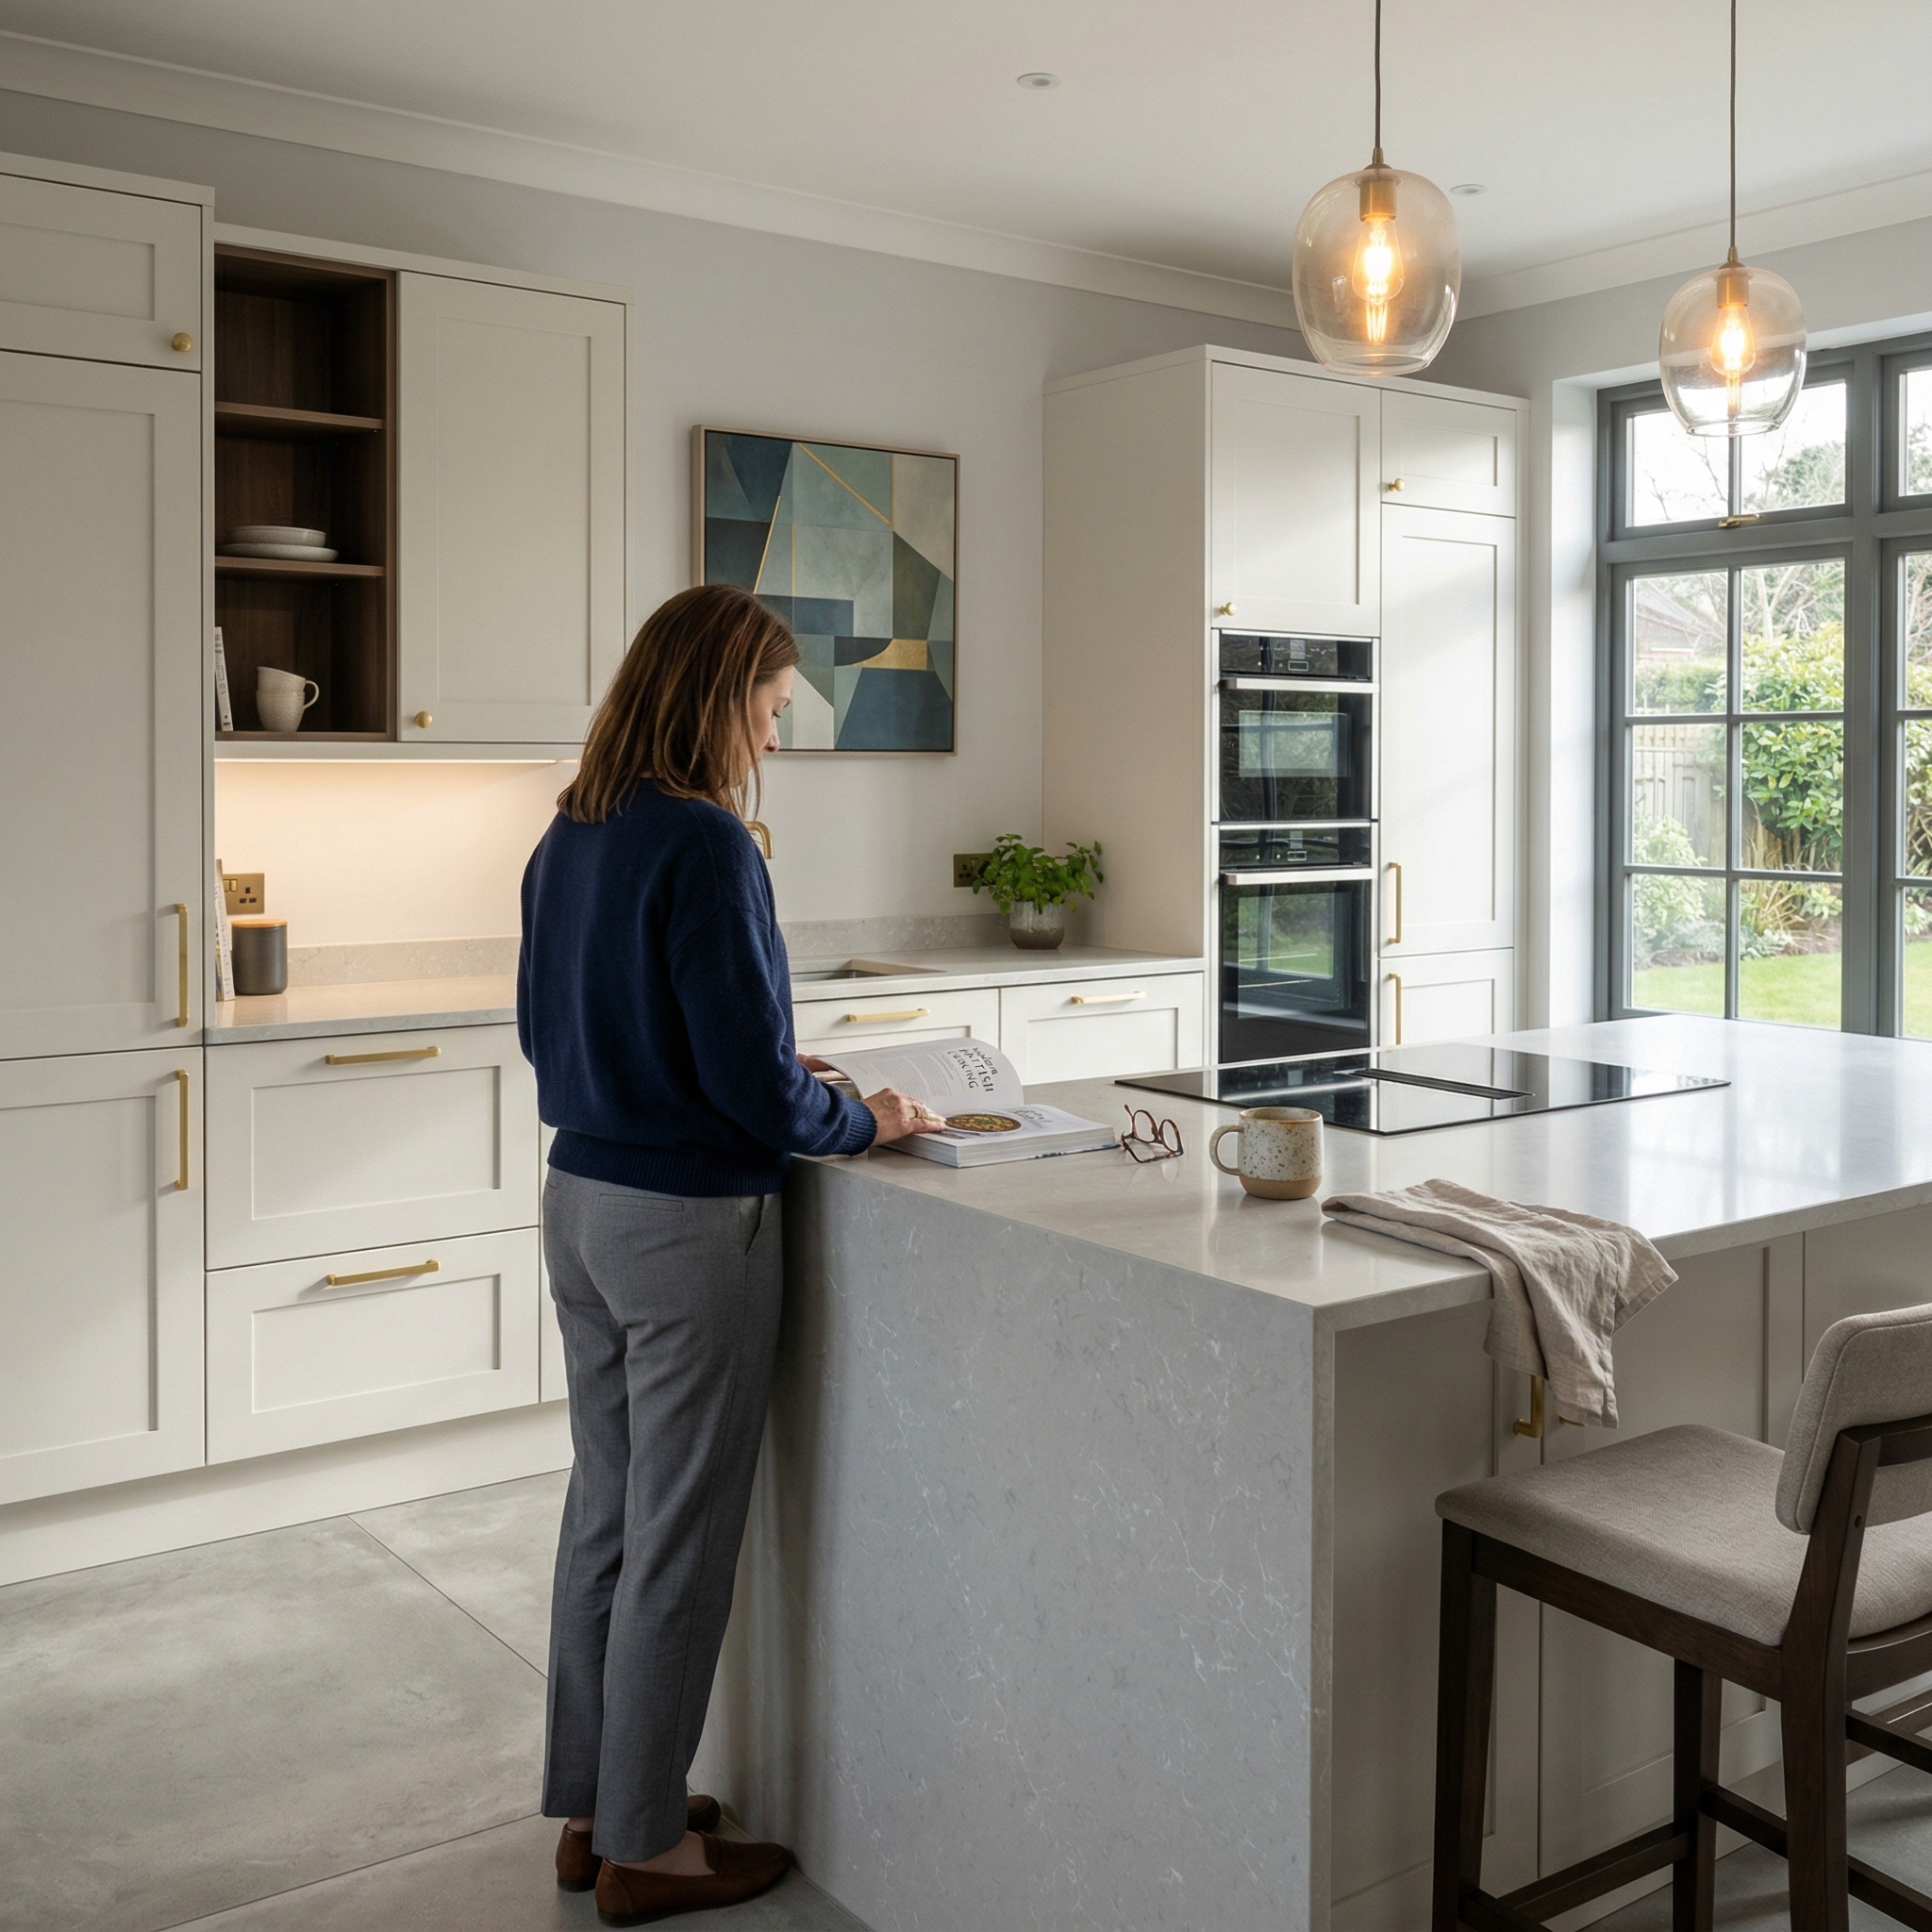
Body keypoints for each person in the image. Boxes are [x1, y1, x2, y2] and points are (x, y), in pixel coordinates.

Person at [517, 583, 941, 1924]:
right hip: (688, 1225)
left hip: (580, 1197)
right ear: (718, 698)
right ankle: (648, 1855)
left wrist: (753, 1068)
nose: (771, 734)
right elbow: (760, 1101)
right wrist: (861, 1117)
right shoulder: (707, 843)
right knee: (682, 1537)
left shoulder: (569, 834)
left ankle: (600, 1809)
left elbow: (564, 1036)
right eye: (766, 707)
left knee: (609, 1513)